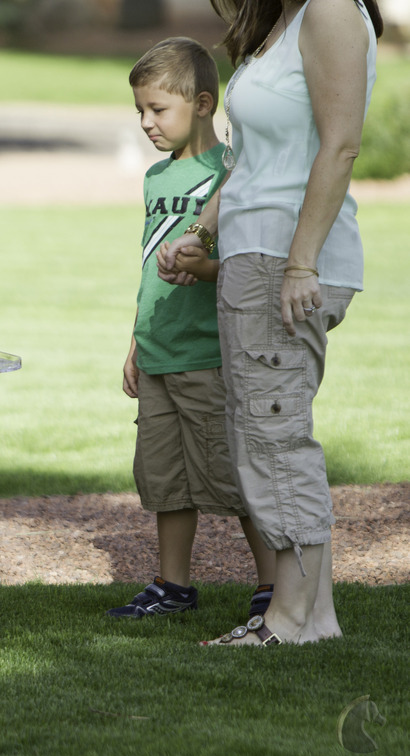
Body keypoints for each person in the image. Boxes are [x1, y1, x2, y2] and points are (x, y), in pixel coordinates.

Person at [160, 0, 383, 645]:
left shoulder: (332, 10)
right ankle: (316, 617)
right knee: (265, 429)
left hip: (285, 257)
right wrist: (201, 231)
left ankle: (288, 619)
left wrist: (300, 264)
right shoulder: (284, 21)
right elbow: (252, 161)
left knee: (275, 435)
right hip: (253, 251)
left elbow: (340, 146)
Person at [108, 37, 276, 620]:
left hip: (209, 354)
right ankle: (172, 586)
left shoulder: (232, 174)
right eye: (140, 111)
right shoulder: (156, 178)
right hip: (158, 352)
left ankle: (275, 585)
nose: (146, 123)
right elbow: (150, 263)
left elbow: (245, 265)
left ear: (203, 104)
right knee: (165, 478)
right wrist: (136, 339)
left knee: (231, 476)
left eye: (159, 109)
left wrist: (201, 267)